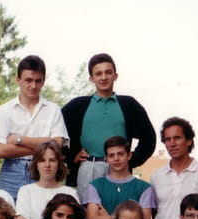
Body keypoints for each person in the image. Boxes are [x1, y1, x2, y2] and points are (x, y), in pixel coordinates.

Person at [61, 53, 155, 200]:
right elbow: (55, 133)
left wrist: (131, 161)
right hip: (89, 168)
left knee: (121, 211)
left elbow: (149, 138)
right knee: (87, 211)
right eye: (98, 73)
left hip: (118, 169)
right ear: (91, 78)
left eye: (108, 72)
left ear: (115, 76)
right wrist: (70, 157)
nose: (103, 77)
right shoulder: (77, 106)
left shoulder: (129, 104)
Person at [0, 55, 68, 202]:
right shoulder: (4, 110)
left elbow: (57, 144)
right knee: (8, 212)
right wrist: (44, 146)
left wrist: (19, 140)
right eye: (28, 80)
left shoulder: (53, 109)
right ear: (18, 80)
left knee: (45, 212)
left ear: (43, 81)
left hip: (44, 168)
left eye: (38, 81)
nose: (33, 86)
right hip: (12, 172)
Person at [84, 136, 156, 219]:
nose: (116, 159)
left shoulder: (144, 188)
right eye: (111, 155)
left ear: (129, 155)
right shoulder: (95, 186)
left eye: (120, 154)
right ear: (106, 158)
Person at [15, 140, 78, 219]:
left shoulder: (70, 193)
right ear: (36, 164)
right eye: (42, 160)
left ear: (59, 164)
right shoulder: (26, 191)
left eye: (52, 160)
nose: (47, 165)